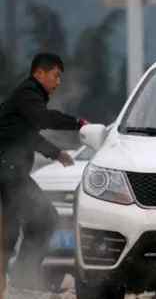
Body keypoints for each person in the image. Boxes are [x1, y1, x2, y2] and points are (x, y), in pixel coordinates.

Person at [0, 53, 88, 291]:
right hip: (9, 172)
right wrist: (78, 123)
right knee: (42, 220)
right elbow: (44, 119)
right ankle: (21, 280)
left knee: (22, 226)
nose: (58, 82)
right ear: (39, 73)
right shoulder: (29, 94)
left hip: (11, 171)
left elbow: (26, 136)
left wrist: (56, 153)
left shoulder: (27, 97)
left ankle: (21, 280)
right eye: (55, 76)